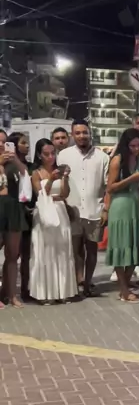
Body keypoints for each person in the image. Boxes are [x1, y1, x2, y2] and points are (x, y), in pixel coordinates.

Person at [57, 120, 109, 297]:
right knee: (76, 249)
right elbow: (60, 182)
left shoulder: (102, 157)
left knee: (92, 249)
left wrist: (106, 209)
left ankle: (88, 282)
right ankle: (78, 281)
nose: (81, 136)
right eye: (77, 133)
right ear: (72, 135)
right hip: (72, 210)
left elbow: (108, 186)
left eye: (84, 132)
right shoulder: (64, 155)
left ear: (90, 133)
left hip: (95, 209)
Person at [29, 139, 77, 304]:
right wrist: (50, 180)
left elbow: (64, 194)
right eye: (46, 154)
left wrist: (65, 178)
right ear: (39, 155)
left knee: (62, 250)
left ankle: (63, 291)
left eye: (52, 153)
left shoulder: (60, 170)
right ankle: (45, 293)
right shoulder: (36, 173)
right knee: (45, 251)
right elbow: (40, 194)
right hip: (44, 212)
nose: (50, 157)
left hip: (60, 211)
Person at [105, 128, 139, 303]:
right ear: (125, 145)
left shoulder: (138, 158)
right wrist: (131, 179)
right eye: (132, 146)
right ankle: (124, 290)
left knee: (134, 245)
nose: (136, 149)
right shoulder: (117, 160)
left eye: (138, 145)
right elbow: (110, 188)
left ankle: (125, 287)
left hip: (134, 205)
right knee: (120, 246)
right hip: (120, 205)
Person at [0, 129, 31, 308]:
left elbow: (25, 175)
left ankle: (11, 294)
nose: (1, 144)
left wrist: (16, 160)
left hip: (13, 208)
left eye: (4, 141)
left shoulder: (12, 161)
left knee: (12, 255)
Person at [8, 132, 36, 301]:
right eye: (23, 142)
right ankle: (7, 290)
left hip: (29, 214)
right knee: (12, 254)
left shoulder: (31, 166)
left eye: (27, 143)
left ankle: (25, 289)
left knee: (26, 254)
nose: (27, 146)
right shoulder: (8, 165)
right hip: (11, 212)